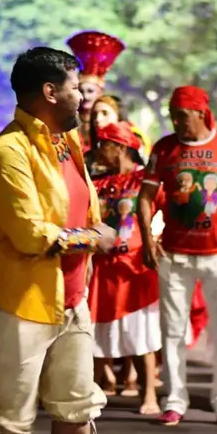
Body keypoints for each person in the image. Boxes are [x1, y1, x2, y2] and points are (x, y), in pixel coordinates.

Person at [0, 47, 116, 434]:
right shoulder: (6, 152)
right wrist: (93, 238)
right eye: (75, 88)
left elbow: (81, 208)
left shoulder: (67, 143)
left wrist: (90, 241)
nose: (82, 97)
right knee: (5, 418)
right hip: (20, 304)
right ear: (49, 92)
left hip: (72, 299)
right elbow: (30, 234)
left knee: (77, 409)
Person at [137, 85, 217, 428]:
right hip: (175, 256)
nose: (177, 122)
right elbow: (145, 197)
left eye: (182, 116)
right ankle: (175, 400)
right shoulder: (164, 148)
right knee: (172, 330)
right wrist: (147, 239)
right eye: (173, 116)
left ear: (202, 113)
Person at [88, 121, 161, 415]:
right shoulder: (97, 183)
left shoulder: (144, 181)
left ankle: (150, 394)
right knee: (95, 333)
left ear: (119, 147)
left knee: (141, 334)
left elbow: (167, 207)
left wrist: (157, 241)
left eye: (103, 145)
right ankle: (87, 394)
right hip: (103, 268)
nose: (98, 152)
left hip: (134, 269)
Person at [66, 31, 125, 152]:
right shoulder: (67, 119)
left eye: (90, 91)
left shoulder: (113, 121)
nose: (86, 96)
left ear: (100, 92)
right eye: (81, 91)